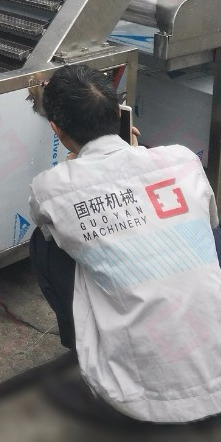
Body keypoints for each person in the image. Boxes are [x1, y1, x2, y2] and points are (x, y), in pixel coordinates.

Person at [28, 63, 221, 424]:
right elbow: (209, 223)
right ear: (118, 113)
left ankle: (79, 341)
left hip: (134, 396)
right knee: (204, 232)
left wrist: (79, 169)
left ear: (56, 129)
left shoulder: (50, 186)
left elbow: (51, 220)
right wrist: (135, 158)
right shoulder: (182, 158)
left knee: (45, 241)